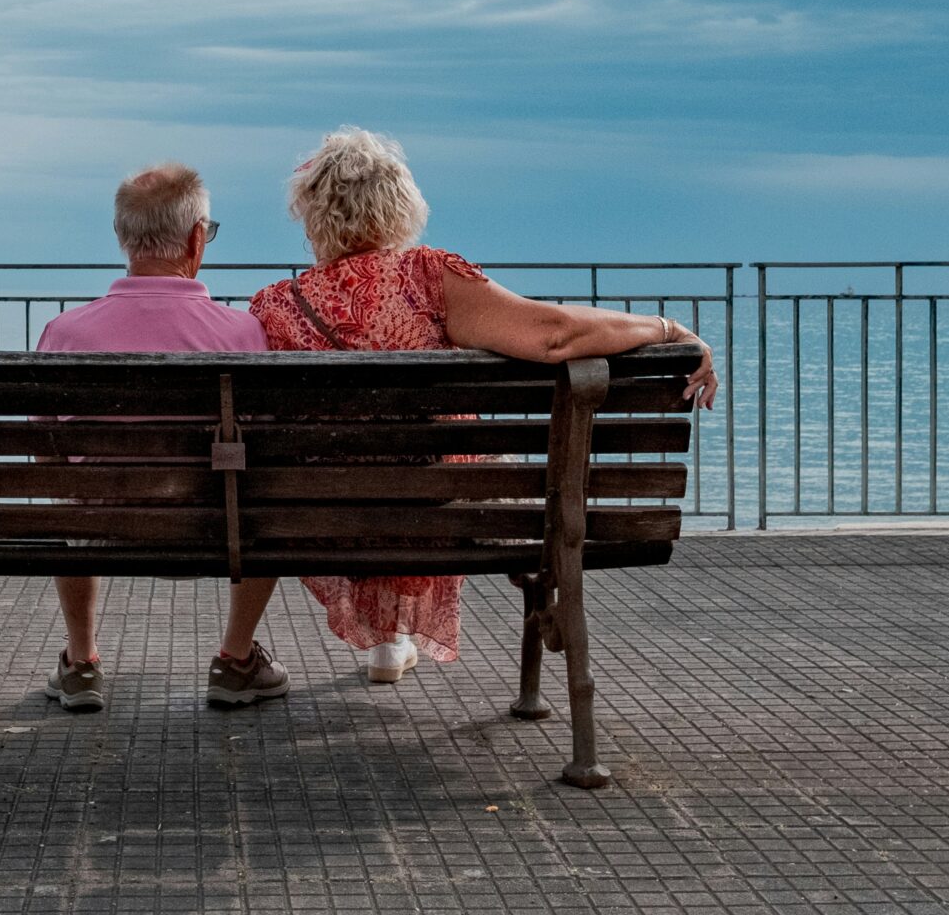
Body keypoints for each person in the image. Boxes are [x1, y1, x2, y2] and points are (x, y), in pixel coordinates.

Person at [250, 128, 718, 683]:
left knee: (351, 462)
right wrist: (664, 328)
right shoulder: (427, 277)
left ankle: (388, 639)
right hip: (441, 518)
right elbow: (555, 336)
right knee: (451, 459)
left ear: (312, 216)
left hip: (327, 521)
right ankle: (410, 641)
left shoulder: (274, 306)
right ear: (400, 204)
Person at [34, 163, 291, 713]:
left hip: (99, 522)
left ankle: (81, 664)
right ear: (197, 238)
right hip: (216, 522)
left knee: (66, 494)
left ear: (122, 238)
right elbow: (266, 446)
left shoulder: (64, 334)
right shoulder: (244, 334)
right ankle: (235, 659)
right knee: (266, 500)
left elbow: (45, 453)